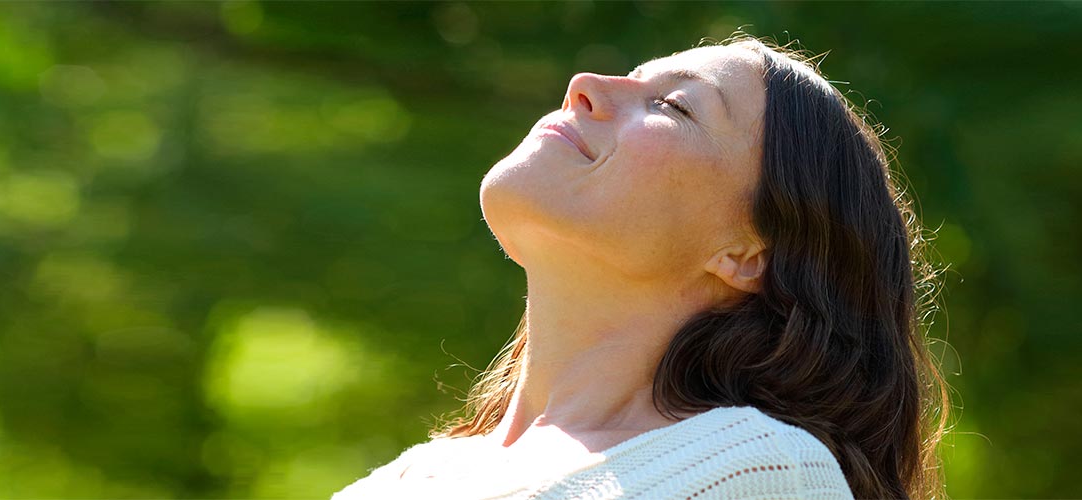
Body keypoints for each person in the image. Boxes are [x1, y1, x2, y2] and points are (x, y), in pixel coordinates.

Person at [333, 36, 949, 500]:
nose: (584, 85)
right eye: (631, 78)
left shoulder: (754, 470)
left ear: (746, 254)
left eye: (675, 106)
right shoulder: (405, 478)